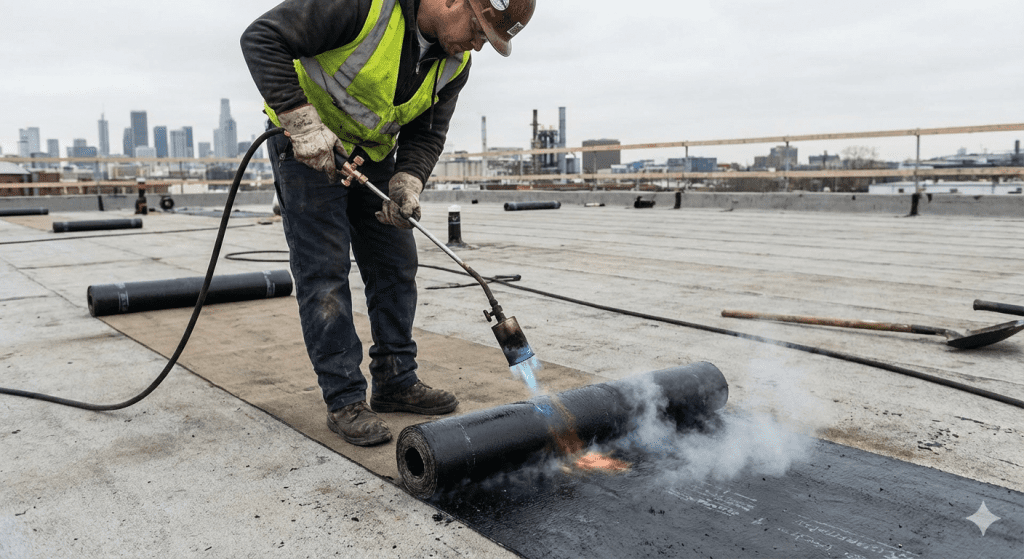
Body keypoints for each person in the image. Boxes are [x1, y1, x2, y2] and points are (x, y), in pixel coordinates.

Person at [240, 0, 535, 446]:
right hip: (308, 151)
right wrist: (301, 122)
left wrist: (408, 180)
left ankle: (396, 379)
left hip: (373, 158)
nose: (477, 45)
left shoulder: (454, 66)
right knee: (325, 273)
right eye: (479, 30)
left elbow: (428, 131)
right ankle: (344, 400)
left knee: (396, 264)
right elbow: (262, 38)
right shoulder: (365, 6)